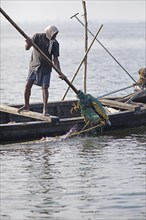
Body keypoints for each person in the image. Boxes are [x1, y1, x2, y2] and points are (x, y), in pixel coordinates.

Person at [18, 25, 64, 115]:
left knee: (45, 88)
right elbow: (26, 48)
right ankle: (26, 105)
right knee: (28, 85)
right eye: (54, 34)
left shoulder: (55, 43)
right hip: (34, 65)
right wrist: (28, 42)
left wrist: (60, 72)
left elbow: (55, 59)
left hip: (46, 68)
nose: (55, 36)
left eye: (56, 35)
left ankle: (45, 109)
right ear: (49, 33)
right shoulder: (37, 37)